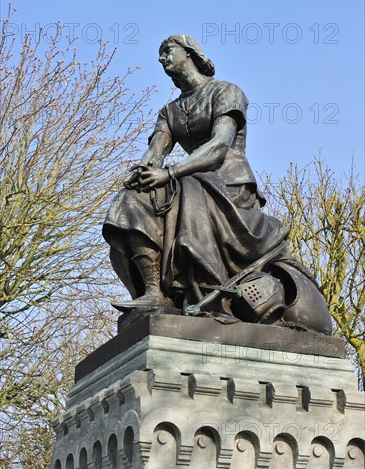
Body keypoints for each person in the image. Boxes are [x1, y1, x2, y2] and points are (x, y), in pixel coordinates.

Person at [102, 35, 332, 335]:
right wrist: (143, 172)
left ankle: (203, 290)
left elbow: (219, 146)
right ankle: (153, 292)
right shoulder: (169, 112)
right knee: (129, 201)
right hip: (187, 182)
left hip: (230, 187)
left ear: (190, 53)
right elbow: (155, 152)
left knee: (188, 186)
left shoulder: (226, 91)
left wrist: (170, 174)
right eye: (160, 54)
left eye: (167, 51)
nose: (161, 59)